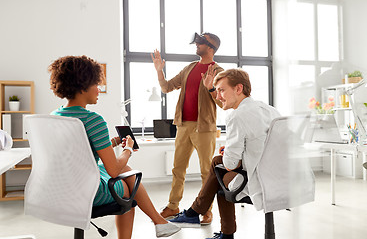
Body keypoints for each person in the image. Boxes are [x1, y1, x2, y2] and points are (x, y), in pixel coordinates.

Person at [48, 55, 180, 239]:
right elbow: (113, 169)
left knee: (126, 171)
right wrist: (127, 149)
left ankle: (160, 222)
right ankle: (158, 223)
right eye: (96, 84)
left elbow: (79, 150)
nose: (99, 89)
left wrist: (114, 143)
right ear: (82, 85)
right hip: (87, 192)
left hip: (59, 189)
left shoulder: (55, 116)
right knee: (128, 190)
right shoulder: (93, 120)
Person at [168, 68, 281, 239]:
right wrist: (231, 152)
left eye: (221, 90)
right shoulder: (269, 110)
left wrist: (229, 152)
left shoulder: (237, 116)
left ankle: (197, 214)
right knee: (217, 163)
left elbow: (230, 164)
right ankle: (198, 215)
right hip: (277, 175)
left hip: (258, 180)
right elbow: (263, 145)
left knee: (219, 172)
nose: (218, 96)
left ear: (238, 89)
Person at [151, 32, 224, 224]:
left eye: (200, 43)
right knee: (178, 169)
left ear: (210, 47)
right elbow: (167, 87)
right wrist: (159, 70)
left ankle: (206, 210)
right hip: (183, 126)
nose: (196, 45)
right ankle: (173, 206)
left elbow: (223, 102)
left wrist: (211, 88)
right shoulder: (189, 68)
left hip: (205, 128)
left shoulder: (218, 71)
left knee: (206, 172)